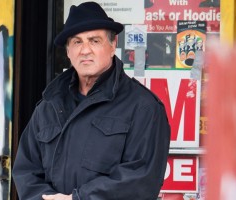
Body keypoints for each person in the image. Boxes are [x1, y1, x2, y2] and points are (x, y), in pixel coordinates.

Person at [12, 1, 170, 200]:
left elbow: (141, 178)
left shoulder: (144, 107)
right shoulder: (48, 106)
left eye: (94, 41)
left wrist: (79, 199)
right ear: (68, 51)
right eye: (77, 42)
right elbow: (26, 171)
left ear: (113, 45)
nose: (85, 50)